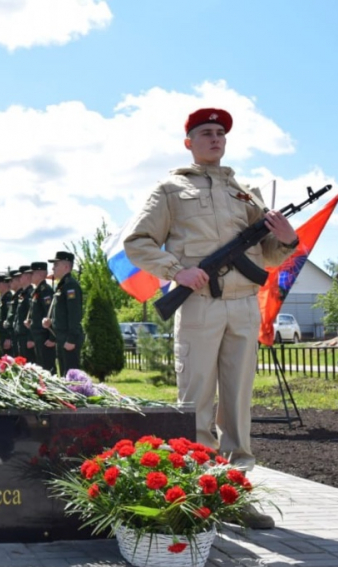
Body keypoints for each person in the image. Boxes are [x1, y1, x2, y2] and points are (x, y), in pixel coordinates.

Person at [124, 108, 298, 529]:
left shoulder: (246, 192)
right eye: (205, 133)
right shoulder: (169, 189)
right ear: (189, 142)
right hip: (199, 304)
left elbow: (268, 257)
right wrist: (174, 270)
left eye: (220, 133)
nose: (215, 138)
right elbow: (138, 242)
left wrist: (288, 240)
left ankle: (235, 491)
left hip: (243, 306)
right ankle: (195, 494)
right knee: (195, 401)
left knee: (237, 403)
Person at [43, 251, 84, 376]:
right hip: (61, 337)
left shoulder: (70, 285)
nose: (53, 268)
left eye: (56, 264)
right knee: (64, 375)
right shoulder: (62, 286)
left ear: (66, 266)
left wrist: (71, 339)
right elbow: (62, 313)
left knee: (72, 377)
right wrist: (51, 322)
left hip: (68, 338)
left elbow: (74, 314)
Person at [24, 262, 57, 373]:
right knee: (41, 369)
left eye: (32, 273)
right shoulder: (36, 292)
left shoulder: (45, 290)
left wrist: (52, 338)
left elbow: (51, 314)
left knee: (48, 369)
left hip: (45, 338)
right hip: (38, 336)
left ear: (40, 274)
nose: (30, 276)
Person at [12, 266, 35, 363]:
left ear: (27, 277)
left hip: (26, 336)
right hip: (20, 335)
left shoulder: (30, 293)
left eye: (20, 276)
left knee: (28, 363)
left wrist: (31, 337)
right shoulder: (22, 294)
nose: (18, 279)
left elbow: (32, 316)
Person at [0, 273, 13, 356]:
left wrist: (8, 338)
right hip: (3, 335)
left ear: (5, 284)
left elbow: (9, 319)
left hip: (6, 336)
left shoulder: (9, 298)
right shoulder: (4, 298)